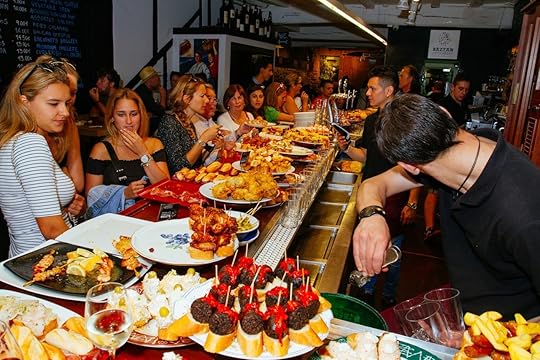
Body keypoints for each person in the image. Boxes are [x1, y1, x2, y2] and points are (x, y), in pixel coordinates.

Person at [353, 93, 540, 319]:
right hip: (461, 308)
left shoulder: (524, 214)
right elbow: (374, 184)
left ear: (409, 165)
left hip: (506, 335)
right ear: (445, 114)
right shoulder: (450, 155)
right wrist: (372, 216)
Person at [336, 66, 418, 308]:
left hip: (395, 196)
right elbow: (366, 156)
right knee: (371, 247)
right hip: (370, 193)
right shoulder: (371, 120)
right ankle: (366, 294)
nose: (368, 93)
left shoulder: (405, 124)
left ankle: (390, 296)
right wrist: (346, 147)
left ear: (389, 90)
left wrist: (412, 202)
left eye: (373, 88)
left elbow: (416, 167)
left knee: (394, 250)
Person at [0, 56, 86, 257]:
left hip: (28, 256)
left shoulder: (13, 140)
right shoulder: (30, 143)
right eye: (54, 103)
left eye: (66, 103)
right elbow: (52, 229)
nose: (64, 112)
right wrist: (98, 255)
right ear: (25, 102)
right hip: (46, 260)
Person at [85, 89, 169, 218]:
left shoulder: (154, 144)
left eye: (134, 114)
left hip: (152, 219)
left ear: (141, 115)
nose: (129, 121)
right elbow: (92, 198)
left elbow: (165, 189)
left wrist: (143, 153)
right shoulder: (101, 150)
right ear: (112, 117)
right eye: (121, 114)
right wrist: (123, 194)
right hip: (116, 223)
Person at [156, 75, 222, 173]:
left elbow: (196, 162)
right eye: (202, 96)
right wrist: (203, 139)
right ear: (187, 99)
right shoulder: (169, 123)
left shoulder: (188, 122)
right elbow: (178, 167)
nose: (207, 100)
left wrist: (212, 146)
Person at [43, 56, 84, 194]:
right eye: (54, 102)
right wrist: (63, 173)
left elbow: (78, 185)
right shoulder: (24, 137)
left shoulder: (69, 122)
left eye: (73, 93)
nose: (69, 99)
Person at [135, 66, 167, 135]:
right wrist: (163, 95)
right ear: (149, 80)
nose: (159, 79)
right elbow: (161, 112)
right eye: (156, 77)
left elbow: (153, 110)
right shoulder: (143, 93)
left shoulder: (144, 90)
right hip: (140, 127)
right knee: (164, 121)